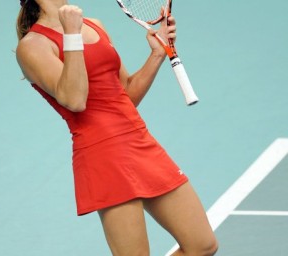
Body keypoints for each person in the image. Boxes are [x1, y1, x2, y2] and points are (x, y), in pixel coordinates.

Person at [16, 0, 218, 255]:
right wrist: (71, 36)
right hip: (103, 156)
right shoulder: (33, 46)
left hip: (138, 140)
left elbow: (126, 96)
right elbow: (74, 99)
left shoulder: (94, 26)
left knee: (203, 245)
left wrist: (157, 53)